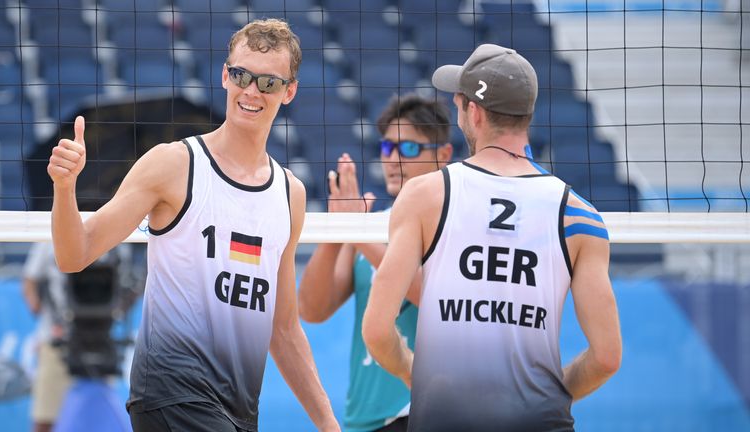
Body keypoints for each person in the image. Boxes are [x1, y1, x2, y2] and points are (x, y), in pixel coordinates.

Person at [47, 18, 339, 432]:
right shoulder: (174, 164)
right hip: (170, 391)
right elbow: (74, 254)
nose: (251, 91)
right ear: (225, 76)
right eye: (241, 75)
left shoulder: (290, 193)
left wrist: (329, 424)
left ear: (288, 91)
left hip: (239, 407)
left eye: (268, 83)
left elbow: (284, 328)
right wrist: (64, 188)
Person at [362, 44, 623, 431]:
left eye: (459, 100)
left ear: (475, 112)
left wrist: (410, 371)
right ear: (526, 114)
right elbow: (606, 356)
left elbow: (376, 329)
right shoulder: (580, 215)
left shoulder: (425, 196)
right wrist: (551, 395)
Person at [298, 94, 453, 432]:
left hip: (425, 411)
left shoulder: (453, 223)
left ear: (443, 155)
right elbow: (311, 309)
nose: (393, 159)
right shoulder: (370, 226)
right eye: (387, 147)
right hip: (365, 419)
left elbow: (432, 296)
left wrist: (357, 232)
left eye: (408, 148)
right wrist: (340, 228)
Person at [23, 242, 71, 432]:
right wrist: (45, 315)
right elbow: (29, 280)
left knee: (97, 419)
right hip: (54, 340)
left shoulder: (108, 233)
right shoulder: (47, 239)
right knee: (45, 419)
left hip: (96, 340)